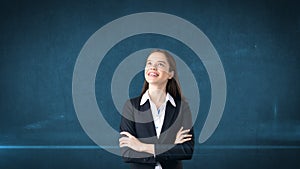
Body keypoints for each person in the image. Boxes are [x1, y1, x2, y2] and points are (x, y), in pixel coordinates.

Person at [119, 49, 194, 169]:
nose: (153, 67)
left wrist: (142, 147)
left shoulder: (182, 108)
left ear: (170, 74)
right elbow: (127, 153)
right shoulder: (131, 106)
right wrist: (171, 146)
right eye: (149, 63)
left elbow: (186, 150)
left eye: (160, 64)